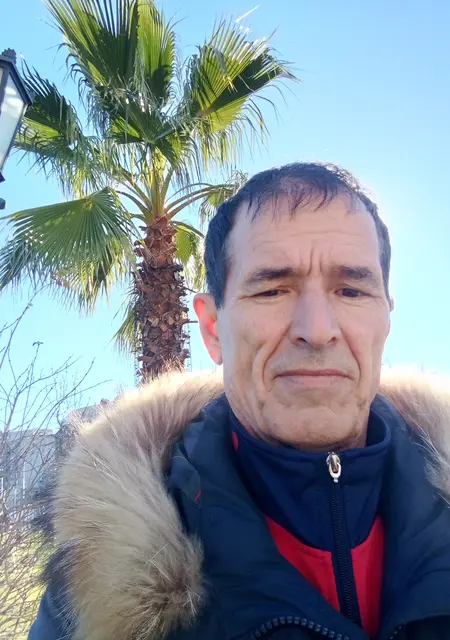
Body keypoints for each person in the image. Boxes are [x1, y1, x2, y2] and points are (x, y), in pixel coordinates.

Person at [28, 163, 450, 640]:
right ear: (213, 329)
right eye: (272, 290)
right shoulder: (96, 582)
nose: (316, 330)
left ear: (386, 319)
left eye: (351, 290)